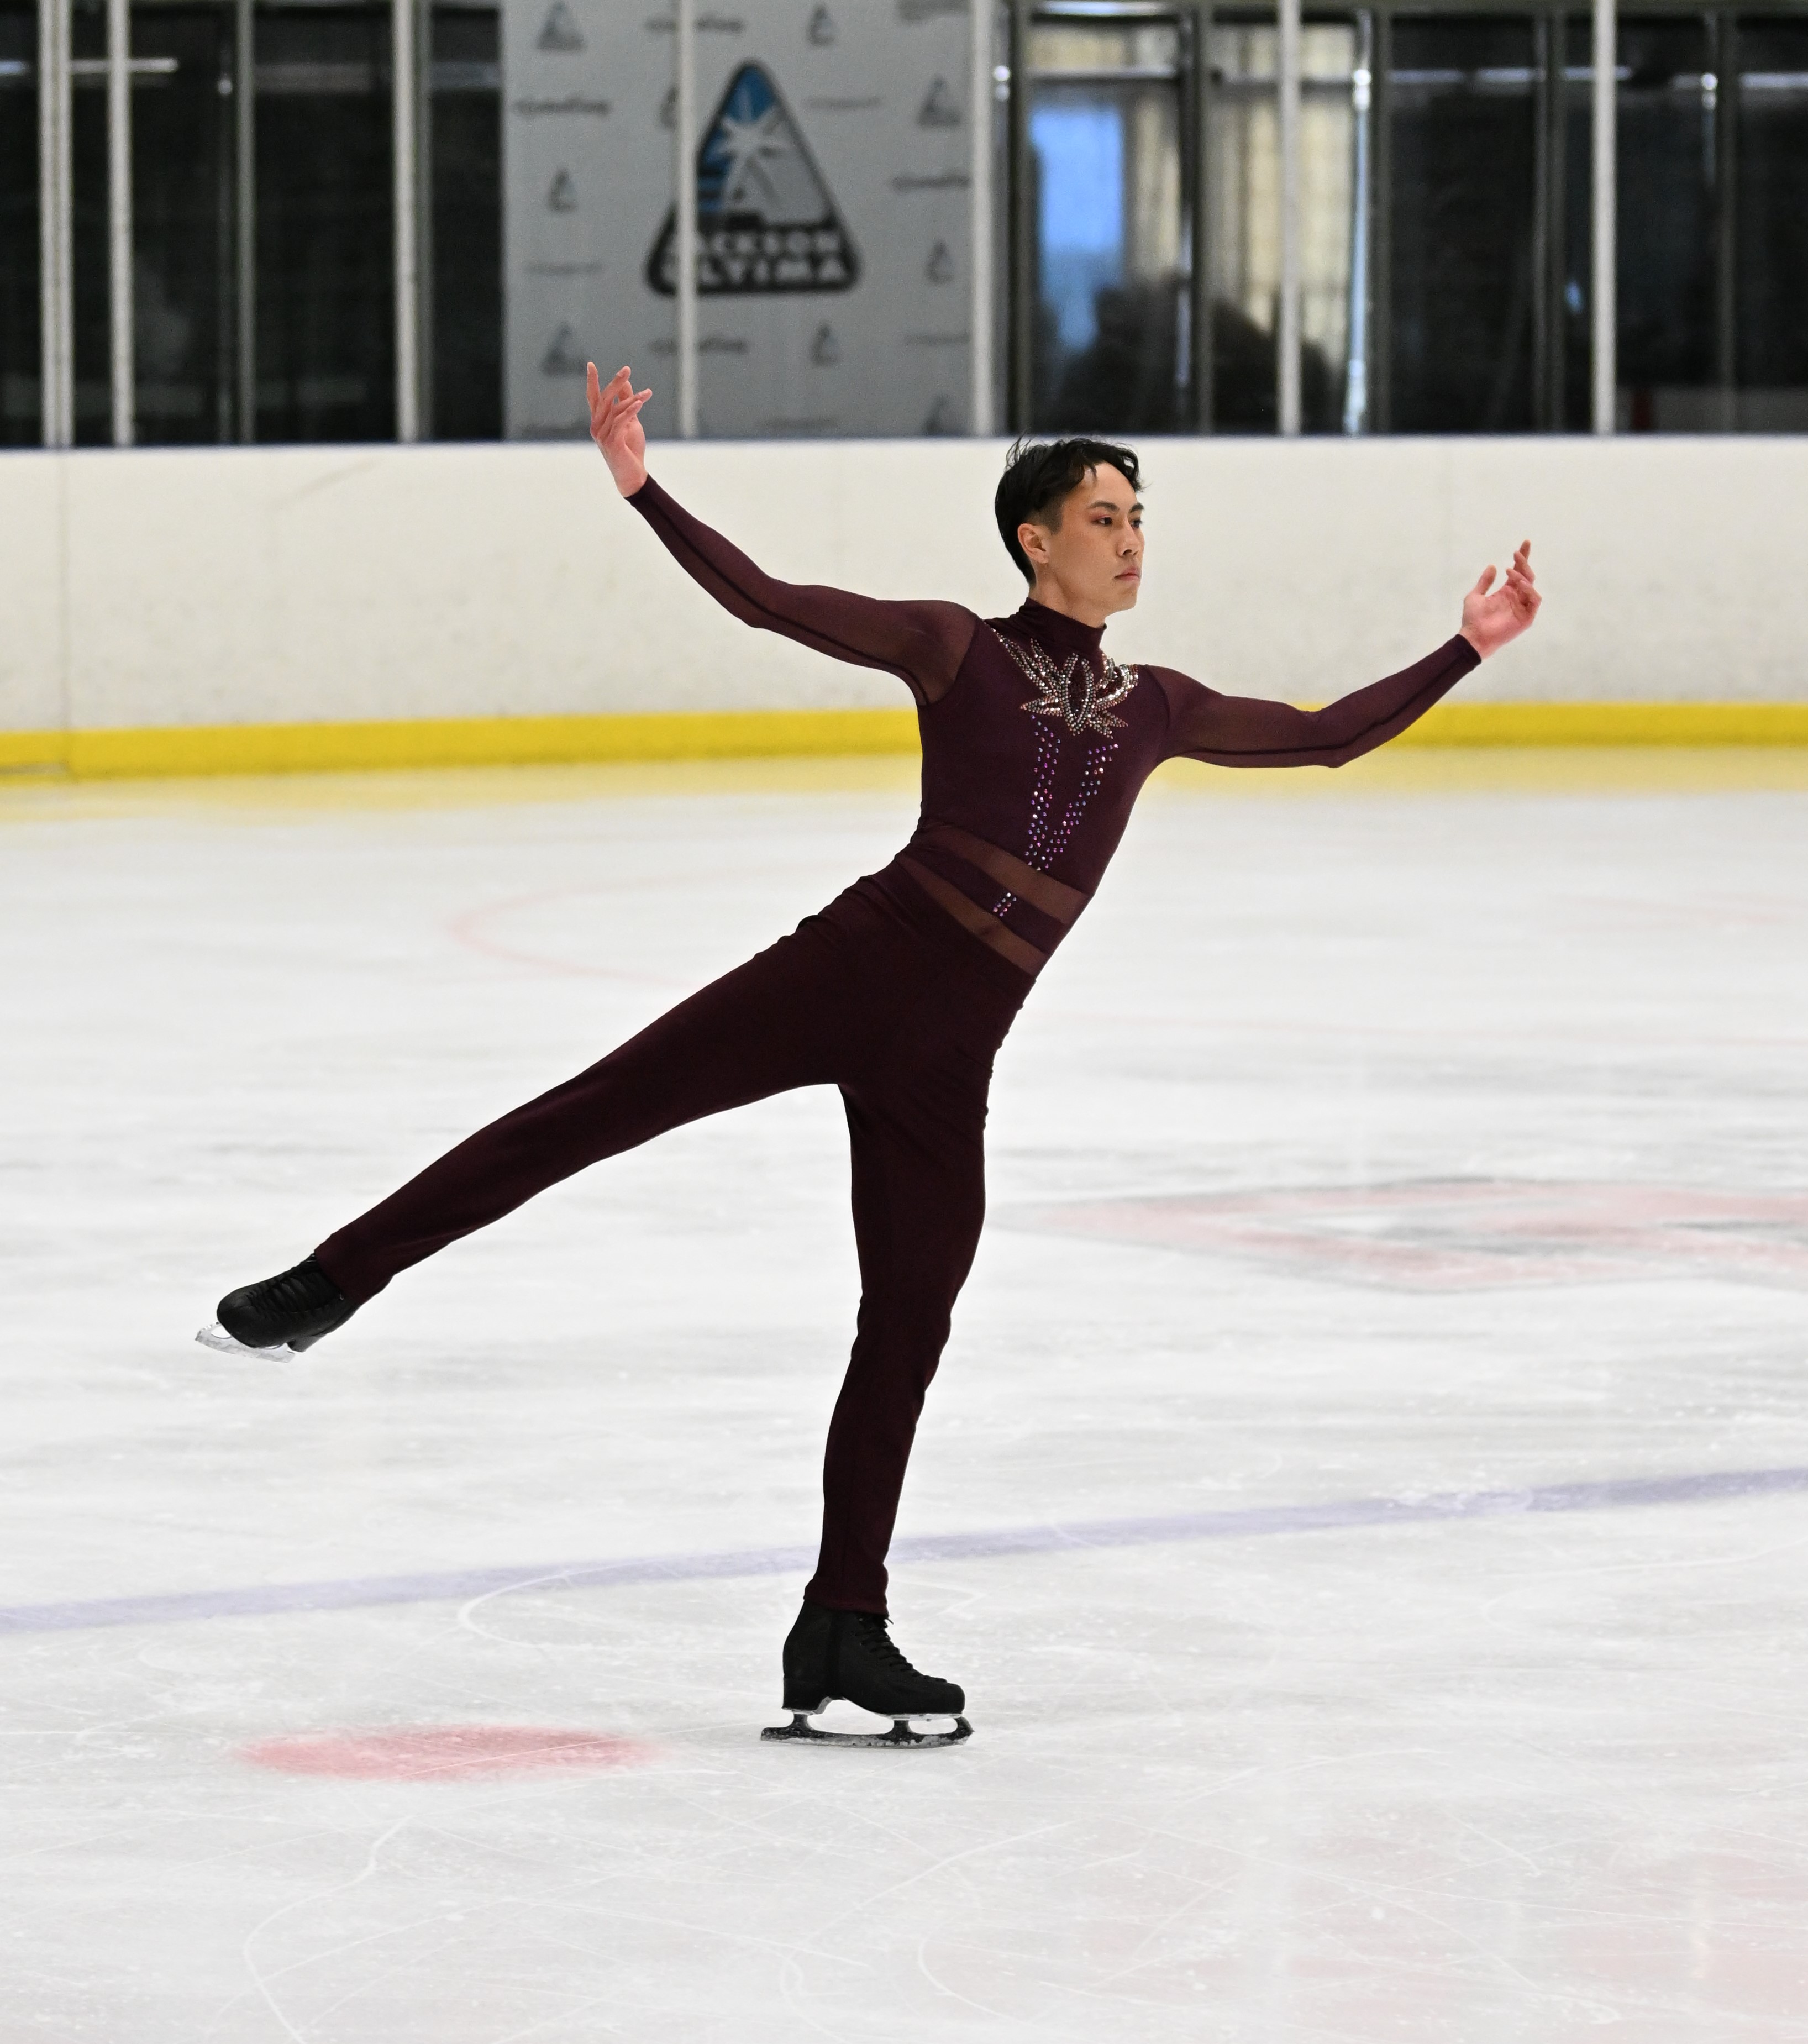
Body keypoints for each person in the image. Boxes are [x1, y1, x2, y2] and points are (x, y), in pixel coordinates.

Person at [203, 364, 1541, 1747]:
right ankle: (328, 1279)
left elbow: (1324, 739)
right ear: (1036, 538)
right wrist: (641, 488)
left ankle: (842, 1625)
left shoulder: (1154, 705)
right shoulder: (954, 645)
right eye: (1104, 515)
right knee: (588, 1113)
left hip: (951, 1050)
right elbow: (769, 600)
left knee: (907, 1322)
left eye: (1140, 514)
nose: (1131, 537)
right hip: (851, 969)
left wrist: (1466, 647)